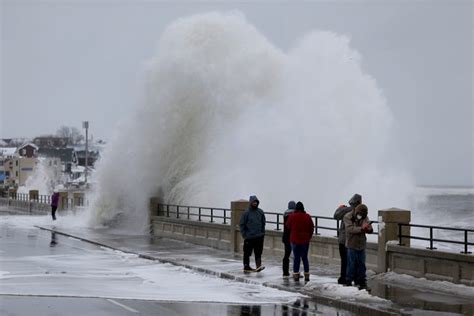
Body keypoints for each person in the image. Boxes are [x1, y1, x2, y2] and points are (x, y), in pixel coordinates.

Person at [333, 194, 362, 284]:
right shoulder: (359, 211)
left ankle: (344, 277)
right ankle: (353, 278)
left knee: (345, 260)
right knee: (354, 260)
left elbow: (335, 215)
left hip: (343, 239)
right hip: (353, 240)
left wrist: (340, 208)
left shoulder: (346, 210)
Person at [343, 203, 373, 290]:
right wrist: (361, 229)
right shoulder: (348, 216)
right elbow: (349, 229)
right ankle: (348, 281)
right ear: (356, 212)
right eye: (360, 214)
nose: (362, 216)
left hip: (361, 244)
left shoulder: (364, 216)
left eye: (364, 215)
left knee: (362, 264)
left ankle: (362, 281)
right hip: (351, 244)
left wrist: (369, 229)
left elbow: (367, 225)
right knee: (351, 264)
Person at [286, 201, 314, 282]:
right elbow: (311, 228)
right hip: (305, 241)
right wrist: (309, 237)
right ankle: (307, 275)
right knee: (305, 258)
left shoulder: (292, 216)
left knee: (296, 258)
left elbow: (288, 225)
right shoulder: (307, 216)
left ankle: (296, 275)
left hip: (294, 240)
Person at [239, 195, 266, 272]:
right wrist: (244, 235)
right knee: (247, 253)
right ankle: (246, 266)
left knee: (258, 253)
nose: (255, 203)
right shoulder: (246, 213)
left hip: (259, 237)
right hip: (249, 237)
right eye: (253, 202)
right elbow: (242, 224)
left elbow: (263, 223)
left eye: (256, 202)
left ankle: (258, 266)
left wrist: (262, 233)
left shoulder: (260, 212)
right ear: (250, 202)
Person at [282, 200, 296, 278]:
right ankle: (295, 271)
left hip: (286, 237)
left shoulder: (285, 214)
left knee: (286, 255)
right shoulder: (293, 214)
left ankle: (285, 272)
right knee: (296, 255)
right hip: (293, 237)